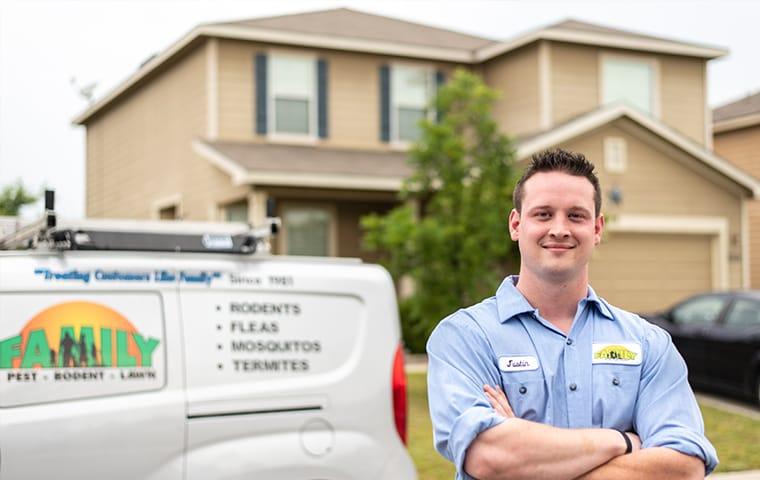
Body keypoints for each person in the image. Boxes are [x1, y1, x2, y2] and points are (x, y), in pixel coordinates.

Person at [426, 149, 717, 480]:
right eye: (544, 214)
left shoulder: (648, 343)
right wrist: (622, 441)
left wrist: (523, 450)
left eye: (576, 216)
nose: (560, 229)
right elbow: (489, 457)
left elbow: (683, 467)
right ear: (516, 224)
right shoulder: (466, 337)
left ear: (596, 228)